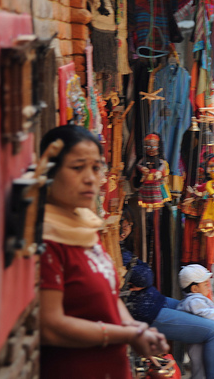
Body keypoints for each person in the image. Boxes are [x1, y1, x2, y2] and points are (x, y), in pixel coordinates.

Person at [38, 125, 169, 379]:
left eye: (96, 168)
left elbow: (110, 296)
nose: (90, 178)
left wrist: (135, 328)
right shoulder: (47, 239)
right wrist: (126, 334)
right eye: (78, 167)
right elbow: (50, 326)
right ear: (49, 172)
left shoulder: (85, 227)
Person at [118, 210, 214, 379]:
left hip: (153, 302)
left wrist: (142, 274)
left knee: (202, 319)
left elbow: (145, 277)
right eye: (123, 225)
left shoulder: (122, 248)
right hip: (144, 310)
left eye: (128, 225)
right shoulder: (115, 250)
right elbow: (145, 277)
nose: (126, 229)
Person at [177, 265, 214, 379]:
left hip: (204, 339)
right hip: (199, 340)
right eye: (205, 285)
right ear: (194, 289)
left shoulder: (196, 300)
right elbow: (205, 314)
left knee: (203, 366)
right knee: (200, 366)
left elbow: (206, 311)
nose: (208, 287)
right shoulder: (193, 301)